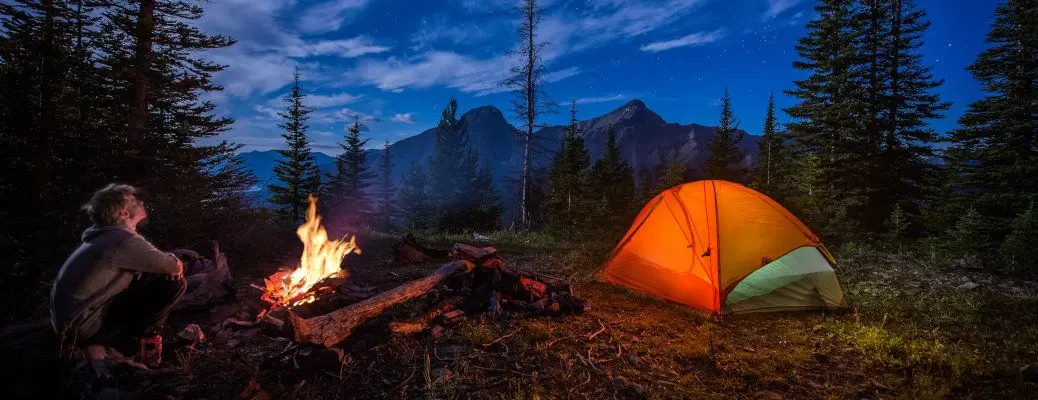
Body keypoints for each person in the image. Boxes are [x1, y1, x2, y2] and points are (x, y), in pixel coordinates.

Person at [50, 184, 186, 374]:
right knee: (173, 284)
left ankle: (124, 338)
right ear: (123, 213)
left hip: (72, 321)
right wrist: (174, 261)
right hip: (85, 327)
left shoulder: (102, 235)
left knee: (151, 278)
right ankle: (142, 343)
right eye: (133, 200)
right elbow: (172, 267)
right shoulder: (122, 240)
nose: (140, 202)